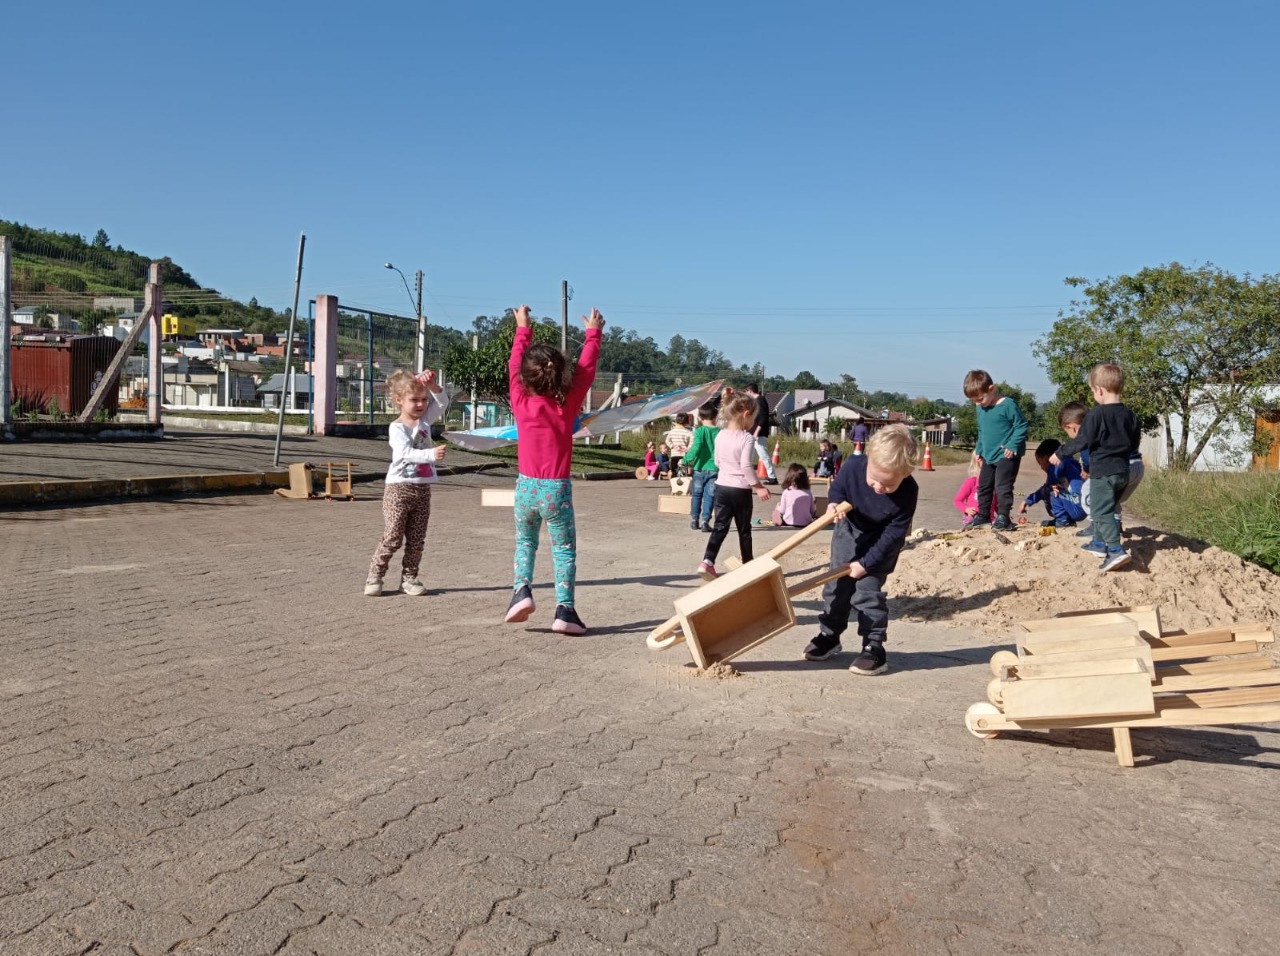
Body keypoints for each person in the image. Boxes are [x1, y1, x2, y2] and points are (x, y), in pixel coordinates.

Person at [504, 303, 604, 633]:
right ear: (561, 375)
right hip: (556, 490)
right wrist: (593, 334)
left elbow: (514, 363)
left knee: (525, 542)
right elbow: (586, 370)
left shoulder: (520, 400)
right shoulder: (567, 404)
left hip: (526, 488)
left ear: (524, 378)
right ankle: (565, 611)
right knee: (563, 550)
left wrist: (523, 328)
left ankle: (521, 591)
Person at [801, 424, 920, 676]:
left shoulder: (909, 491)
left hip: (881, 543)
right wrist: (833, 503)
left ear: (905, 474)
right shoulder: (854, 467)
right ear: (868, 461)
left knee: (867, 593)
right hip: (849, 531)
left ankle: (873, 646)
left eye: (888, 485)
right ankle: (829, 635)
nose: (878, 488)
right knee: (835, 588)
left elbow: (894, 535)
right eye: (874, 480)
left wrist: (866, 563)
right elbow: (838, 489)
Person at [365, 370, 448, 597]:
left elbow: (443, 402)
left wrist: (432, 385)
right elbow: (404, 453)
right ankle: (375, 576)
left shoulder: (424, 421)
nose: (421, 404)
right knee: (393, 535)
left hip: (422, 488)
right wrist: (431, 454)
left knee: (417, 538)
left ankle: (409, 578)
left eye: (423, 399)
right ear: (399, 400)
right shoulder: (397, 428)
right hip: (398, 489)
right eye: (414, 400)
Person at [1051, 363, 1140, 572]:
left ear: (1099, 390)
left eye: (1092, 391)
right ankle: (1099, 543)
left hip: (1104, 473)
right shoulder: (1130, 415)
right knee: (1106, 507)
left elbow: (1082, 440)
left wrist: (1060, 453)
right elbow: (1135, 442)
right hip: (1123, 471)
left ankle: (1115, 550)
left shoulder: (1096, 415)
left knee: (1100, 511)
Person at [698, 393, 772, 579]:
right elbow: (746, 466)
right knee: (744, 530)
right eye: (753, 418)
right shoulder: (746, 438)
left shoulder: (720, 434)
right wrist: (758, 486)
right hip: (740, 489)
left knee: (720, 526)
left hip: (722, 487)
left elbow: (717, 460)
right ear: (746, 414)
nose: (753, 422)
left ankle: (707, 561)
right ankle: (748, 564)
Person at [1059, 400, 1144, 540]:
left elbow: (1088, 459)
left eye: (1066, 431)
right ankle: (1115, 526)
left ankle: (1096, 525)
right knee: (1111, 499)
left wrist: (1086, 469)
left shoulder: (1086, 438)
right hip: (1137, 466)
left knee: (1089, 492)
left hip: (1118, 469)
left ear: (1072, 428)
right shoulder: (1104, 429)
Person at [963, 369, 1028, 532]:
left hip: (1007, 454)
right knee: (984, 486)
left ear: (991, 389)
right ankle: (983, 516)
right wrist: (979, 449)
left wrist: (1013, 444)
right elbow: (981, 429)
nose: (979, 403)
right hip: (988, 455)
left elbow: (1021, 425)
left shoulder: (1008, 405)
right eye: (975, 401)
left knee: (1003, 486)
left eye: (981, 399)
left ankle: (1004, 517)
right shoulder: (980, 408)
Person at [1018, 439, 1086, 527]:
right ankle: (1066, 519)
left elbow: (1060, 464)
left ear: (1047, 459)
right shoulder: (1067, 465)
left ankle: (1063, 520)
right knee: (1048, 489)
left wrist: (1052, 481)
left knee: (1050, 491)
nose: (1041, 467)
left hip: (1077, 504)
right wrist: (1027, 501)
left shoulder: (1063, 463)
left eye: (1040, 463)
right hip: (1077, 504)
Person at [683, 403, 719, 531]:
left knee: (697, 495)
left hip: (699, 468)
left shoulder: (700, 431)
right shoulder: (719, 432)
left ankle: (694, 520)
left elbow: (696, 448)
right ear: (716, 416)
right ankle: (705, 522)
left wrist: (686, 460)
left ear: (699, 418)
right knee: (710, 496)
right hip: (714, 468)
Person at [744, 382, 777, 483]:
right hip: (753, 433)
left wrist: (756, 432)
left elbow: (763, 418)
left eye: (746, 391)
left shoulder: (760, 400)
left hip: (758, 434)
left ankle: (772, 477)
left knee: (764, 455)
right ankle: (748, 476)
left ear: (750, 390)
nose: (746, 394)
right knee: (749, 456)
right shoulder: (755, 401)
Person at [953, 454, 997, 527]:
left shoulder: (994, 483)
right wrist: (967, 509)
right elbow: (957, 500)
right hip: (972, 517)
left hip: (990, 518)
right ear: (978, 462)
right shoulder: (972, 481)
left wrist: (1004, 515)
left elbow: (996, 504)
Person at [772, 463, 818, 527]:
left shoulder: (786, 492)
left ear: (789, 477)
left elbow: (782, 510)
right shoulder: (808, 492)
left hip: (788, 521)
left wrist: (777, 507)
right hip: (806, 521)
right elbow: (812, 510)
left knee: (777, 510)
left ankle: (777, 522)